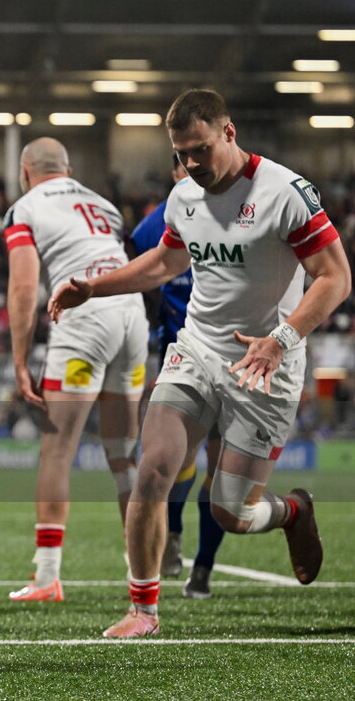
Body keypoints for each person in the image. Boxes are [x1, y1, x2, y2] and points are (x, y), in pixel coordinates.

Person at [49, 88, 351, 637]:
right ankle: (144, 611)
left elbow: (336, 277)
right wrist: (93, 288)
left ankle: (294, 513)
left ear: (229, 133)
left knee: (230, 514)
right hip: (197, 351)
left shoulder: (284, 192)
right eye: (182, 153)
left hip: (267, 366)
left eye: (201, 149)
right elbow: (164, 261)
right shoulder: (184, 195)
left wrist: (280, 338)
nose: (191, 164)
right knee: (152, 471)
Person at [5, 137, 148, 602]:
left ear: (26, 171)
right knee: (123, 454)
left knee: (58, 451)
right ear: (66, 168)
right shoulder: (105, 206)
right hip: (131, 315)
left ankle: (47, 578)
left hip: (84, 317)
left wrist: (21, 359)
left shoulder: (25, 208)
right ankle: (140, 571)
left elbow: (25, 289)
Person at [130, 155, 226, 599]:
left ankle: (203, 568)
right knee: (173, 462)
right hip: (182, 356)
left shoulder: (243, 210)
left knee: (220, 471)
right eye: (185, 167)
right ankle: (174, 537)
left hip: (236, 358)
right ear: (174, 174)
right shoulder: (157, 224)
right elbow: (142, 275)